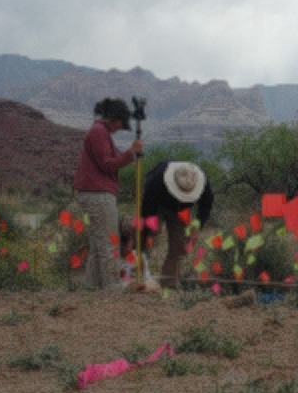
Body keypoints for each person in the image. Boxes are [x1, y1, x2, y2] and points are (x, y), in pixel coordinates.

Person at [74, 97, 143, 289]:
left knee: (98, 245)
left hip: (94, 193)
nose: (121, 127)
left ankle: (91, 285)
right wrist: (130, 153)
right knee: (108, 242)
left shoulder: (100, 132)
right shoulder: (99, 133)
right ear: (115, 118)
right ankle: (112, 286)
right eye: (122, 123)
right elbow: (107, 165)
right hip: (99, 194)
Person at [141, 161, 214, 289]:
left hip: (182, 211)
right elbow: (147, 210)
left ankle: (169, 284)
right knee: (153, 229)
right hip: (157, 204)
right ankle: (127, 232)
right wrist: (144, 237)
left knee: (180, 245)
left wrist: (196, 228)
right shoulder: (156, 180)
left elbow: (205, 207)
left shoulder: (204, 183)